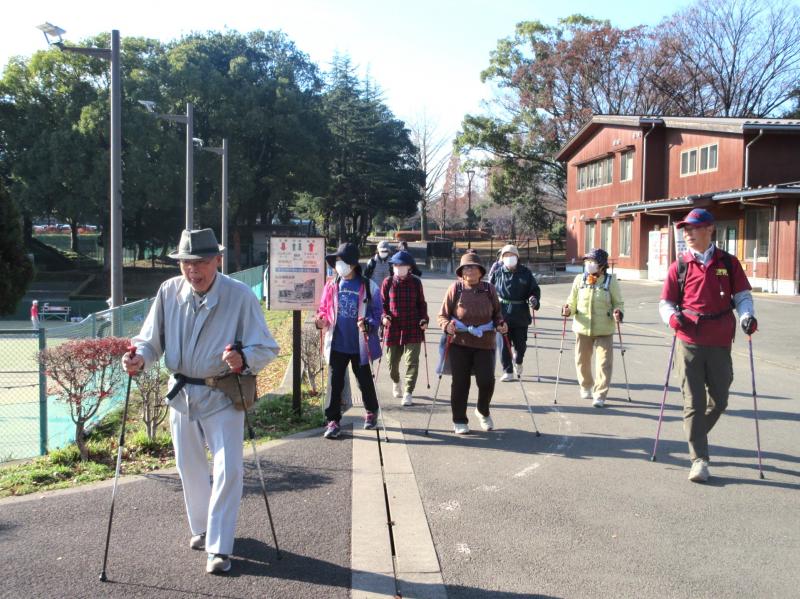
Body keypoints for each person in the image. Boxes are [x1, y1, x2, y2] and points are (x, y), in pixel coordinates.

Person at [122, 228, 279, 575]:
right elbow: (150, 341)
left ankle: (220, 547)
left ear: (218, 261)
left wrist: (243, 358)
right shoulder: (168, 291)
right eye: (186, 263)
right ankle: (202, 529)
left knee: (229, 469)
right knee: (189, 467)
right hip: (181, 393)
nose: (193, 270)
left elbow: (266, 346)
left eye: (202, 262)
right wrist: (139, 359)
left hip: (222, 393)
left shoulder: (238, 296)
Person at [659, 208, 756, 483]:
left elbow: (743, 296)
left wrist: (747, 315)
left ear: (709, 229)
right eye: (685, 229)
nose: (687, 233)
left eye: (693, 228)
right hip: (688, 340)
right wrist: (672, 318)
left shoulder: (729, 262)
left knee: (721, 399)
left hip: (720, 340)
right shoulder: (679, 266)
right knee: (693, 401)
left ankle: (695, 433)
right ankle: (699, 459)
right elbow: (665, 303)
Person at [315, 242, 383, 439]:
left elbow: (377, 312)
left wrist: (368, 324)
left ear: (352, 264)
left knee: (364, 381)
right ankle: (333, 421)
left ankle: (371, 412)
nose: (338, 265)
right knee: (335, 382)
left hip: (359, 344)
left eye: (341, 261)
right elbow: (324, 309)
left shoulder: (369, 286)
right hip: (337, 343)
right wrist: (320, 321)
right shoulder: (332, 284)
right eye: (336, 261)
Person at [437, 250, 507, 434]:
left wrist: (501, 324)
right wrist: (447, 326)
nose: (470, 270)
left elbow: (498, 314)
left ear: (481, 271)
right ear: (461, 271)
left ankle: (482, 411)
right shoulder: (455, 288)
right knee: (460, 383)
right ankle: (459, 420)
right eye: (466, 267)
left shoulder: (489, 289)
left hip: (485, 343)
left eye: (474, 267)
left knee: (486, 381)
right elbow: (442, 315)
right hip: (459, 342)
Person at [562, 248, 624, 408]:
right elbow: (572, 301)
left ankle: (600, 395)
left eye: (593, 261)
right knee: (582, 360)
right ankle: (586, 385)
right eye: (587, 261)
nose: (589, 264)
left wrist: (618, 312)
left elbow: (618, 302)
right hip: (582, 327)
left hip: (604, 328)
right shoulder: (579, 279)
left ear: (602, 265)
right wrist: (568, 309)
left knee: (604, 363)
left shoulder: (610, 281)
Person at [381, 250, 429, 406]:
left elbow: (422, 304)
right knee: (391, 363)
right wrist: (384, 317)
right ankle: (396, 381)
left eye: (402, 265)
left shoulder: (416, 282)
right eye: (396, 264)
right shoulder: (387, 282)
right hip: (393, 326)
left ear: (409, 267)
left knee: (412, 362)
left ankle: (408, 392)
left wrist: (424, 319)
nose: (399, 267)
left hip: (413, 326)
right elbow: (382, 305)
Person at [489, 244, 541, 382]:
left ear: (517, 257)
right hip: (502, 313)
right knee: (503, 345)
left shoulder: (526, 273)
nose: (509, 258)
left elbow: (534, 290)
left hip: (520, 314)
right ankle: (508, 371)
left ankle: (518, 360)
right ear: (502, 258)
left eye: (512, 256)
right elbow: (490, 292)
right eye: (506, 256)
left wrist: (533, 299)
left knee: (521, 345)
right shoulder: (497, 273)